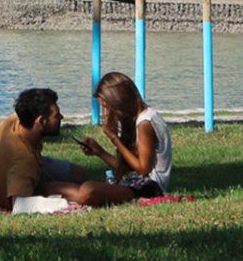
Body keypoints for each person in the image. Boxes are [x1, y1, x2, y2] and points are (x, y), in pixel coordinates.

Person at [0, 87, 88, 210]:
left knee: (78, 174)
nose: (61, 118)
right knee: (77, 189)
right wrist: (61, 204)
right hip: (1, 190)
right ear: (41, 121)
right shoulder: (24, 159)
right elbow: (19, 205)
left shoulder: (20, 117)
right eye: (56, 116)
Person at [66, 71, 173, 205]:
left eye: (105, 106)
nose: (104, 113)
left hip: (149, 188)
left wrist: (115, 139)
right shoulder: (137, 119)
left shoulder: (145, 123)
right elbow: (129, 167)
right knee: (61, 186)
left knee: (88, 190)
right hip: (136, 183)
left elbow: (143, 169)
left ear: (117, 100)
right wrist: (100, 152)